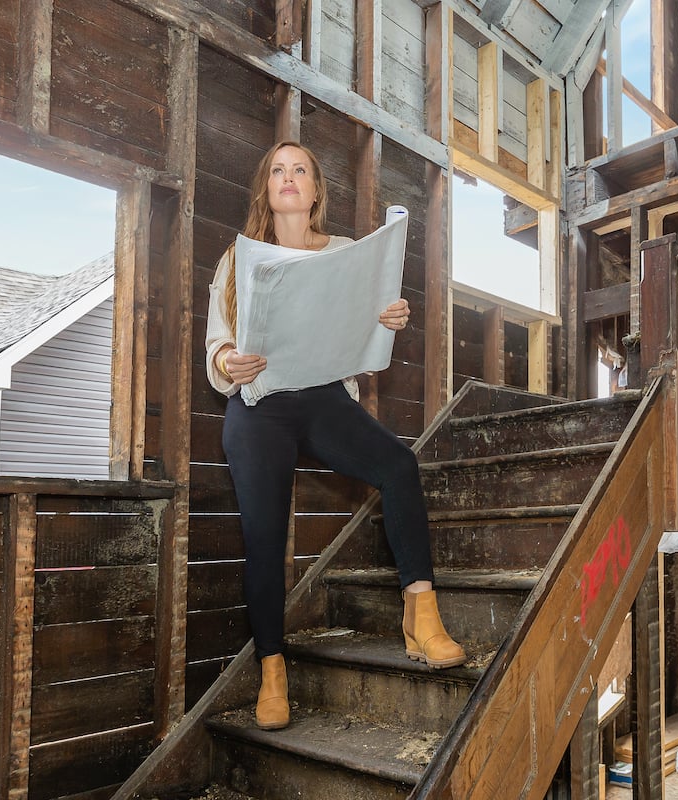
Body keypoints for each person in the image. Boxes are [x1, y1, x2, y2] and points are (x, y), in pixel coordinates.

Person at [204, 140, 466, 731]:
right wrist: (227, 363)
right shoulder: (238, 259)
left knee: (398, 466)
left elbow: (368, 323)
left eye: (301, 169)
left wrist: (387, 317)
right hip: (260, 402)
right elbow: (216, 340)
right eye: (278, 170)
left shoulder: (346, 252)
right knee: (265, 534)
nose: (289, 178)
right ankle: (273, 671)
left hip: (322, 397)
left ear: (316, 191)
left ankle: (420, 613)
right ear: (266, 188)